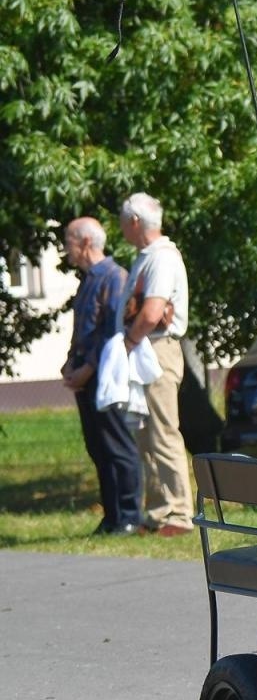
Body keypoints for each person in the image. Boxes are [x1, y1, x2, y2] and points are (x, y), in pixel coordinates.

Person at [117, 192, 194, 536]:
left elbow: (151, 312)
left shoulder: (161, 258)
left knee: (163, 431)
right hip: (147, 350)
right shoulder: (147, 256)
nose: (120, 228)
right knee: (145, 434)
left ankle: (180, 513)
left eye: (122, 220)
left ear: (135, 222)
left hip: (156, 349)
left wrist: (128, 341)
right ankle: (159, 510)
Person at [60, 217, 140, 536]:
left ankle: (130, 516)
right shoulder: (87, 280)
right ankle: (112, 516)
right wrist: (69, 363)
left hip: (104, 375)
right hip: (84, 375)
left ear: (86, 243)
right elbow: (83, 329)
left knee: (118, 445)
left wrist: (86, 369)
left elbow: (111, 332)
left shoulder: (114, 277)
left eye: (68, 242)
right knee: (98, 446)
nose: (66, 250)